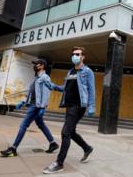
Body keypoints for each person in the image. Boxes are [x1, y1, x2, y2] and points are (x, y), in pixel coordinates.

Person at [43, 46, 95, 174]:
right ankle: (87, 148)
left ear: (83, 57)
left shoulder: (87, 71)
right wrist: (53, 86)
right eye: (73, 54)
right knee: (71, 132)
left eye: (77, 54)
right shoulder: (70, 71)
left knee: (65, 132)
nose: (75, 56)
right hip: (69, 105)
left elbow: (91, 89)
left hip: (79, 106)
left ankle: (59, 163)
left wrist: (91, 106)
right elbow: (65, 88)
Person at [0, 59, 63, 157]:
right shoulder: (36, 78)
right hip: (33, 104)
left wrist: (43, 107)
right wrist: (23, 102)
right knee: (41, 124)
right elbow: (32, 93)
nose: (35, 66)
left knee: (23, 126)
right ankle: (53, 143)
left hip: (36, 106)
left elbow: (46, 93)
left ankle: (13, 149)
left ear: (42, 66)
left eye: (36, 64)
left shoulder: (45, 77)